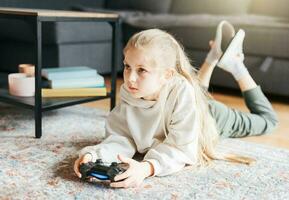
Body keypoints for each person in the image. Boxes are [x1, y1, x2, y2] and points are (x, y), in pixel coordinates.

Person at [74, 27, 278, 188]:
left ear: (167, 75)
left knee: (268, 121)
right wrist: (95, 155)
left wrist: (147, 168)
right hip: (183, 103)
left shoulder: (181, 90)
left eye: (142, 70)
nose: (130, 78)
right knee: (192, 91)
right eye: (127, 66)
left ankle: (236, 65)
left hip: (211, 116)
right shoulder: (133, 89)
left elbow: (181, 146)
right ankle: (213, 56)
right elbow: (122, 136)